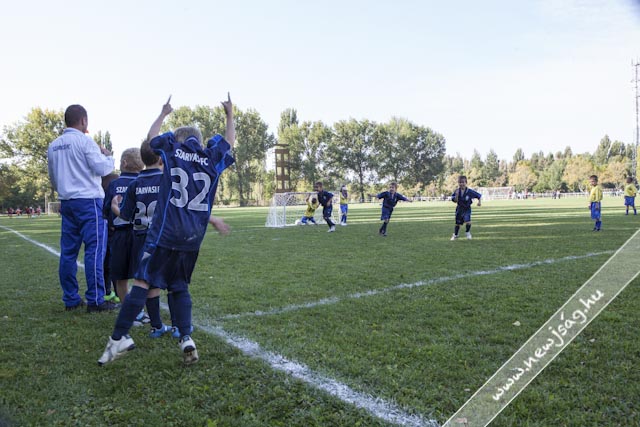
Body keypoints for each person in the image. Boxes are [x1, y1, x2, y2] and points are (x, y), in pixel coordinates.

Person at [99, 94, 235, 366]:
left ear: (179, 140)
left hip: (165, 232)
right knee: (179, 286)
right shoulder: (210, 158)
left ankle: (119, 337)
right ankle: (186, 337)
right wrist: (230, 115)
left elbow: (151, 139)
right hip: (192, 237)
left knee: (142, 282)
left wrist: (163, 114)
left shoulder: (174, 153)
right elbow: (229, 144)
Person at [47, 104, 117, 312]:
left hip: (67, 202)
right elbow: (102, 168)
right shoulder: (85, 142)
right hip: (88, 201)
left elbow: (53, 176)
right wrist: (108, 156)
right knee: (95, 249)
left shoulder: (54, 146)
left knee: (68, 252)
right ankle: (95, 299)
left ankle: (71, 298)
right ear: (83, 120)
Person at [112, 139, 169, 337]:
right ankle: (173, 326)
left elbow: (125, 215)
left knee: (145, 280)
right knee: (165, 283)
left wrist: (115, 207)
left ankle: (155, 325)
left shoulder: (135, 184)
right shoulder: (166, 180)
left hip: (140, 239)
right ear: (161, 159)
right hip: (161, 238)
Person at [103, 149, 144, 305]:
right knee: (143, 276)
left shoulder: (114, 184)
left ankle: (128, 309)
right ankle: (145, 310)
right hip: (142, 233)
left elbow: (106, 210)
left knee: (121, 277)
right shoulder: (144, 182)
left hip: (120, 235)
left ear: (124, 163)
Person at [450, 175, 481, 240]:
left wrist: (479, 202)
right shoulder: (456, 191)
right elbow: (454, 201)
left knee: (468, 221)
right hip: (459, 209)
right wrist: (456, 196)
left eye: (463, 182)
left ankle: (467, 232)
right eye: (460, 182)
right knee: (458, 223)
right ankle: (455, 235)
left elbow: (478, 196)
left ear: (466, 182)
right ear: (458, 183)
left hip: (467, 208)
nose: (461, 184)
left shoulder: (469, 191)